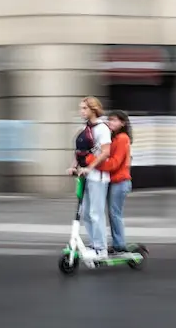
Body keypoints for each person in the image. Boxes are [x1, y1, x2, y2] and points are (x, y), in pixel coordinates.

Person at [66, 97, 112, 260]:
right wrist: (73, 166)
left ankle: (101, 249)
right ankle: (94, 245)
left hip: (98, 177)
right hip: (85, 176)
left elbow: (105, 152)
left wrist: (89, 168)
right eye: (80, 108)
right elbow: (79, 152)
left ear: (93, 109)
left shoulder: (102, 129)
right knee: (85, 214)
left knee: (96, 213)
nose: (81, 111)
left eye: (84, 108)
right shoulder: (85, 128)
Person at [85, 110, 132, 253]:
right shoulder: (113, 137)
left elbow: (114, 164)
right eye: (110, 120)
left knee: (114, 213)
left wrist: (92, 161)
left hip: (120, 181)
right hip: (112, 181)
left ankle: (119, 244)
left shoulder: (123, 138)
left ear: (123, 123)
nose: (111, 122)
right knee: (108, 213)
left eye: (115, 120)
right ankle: (113, 243)